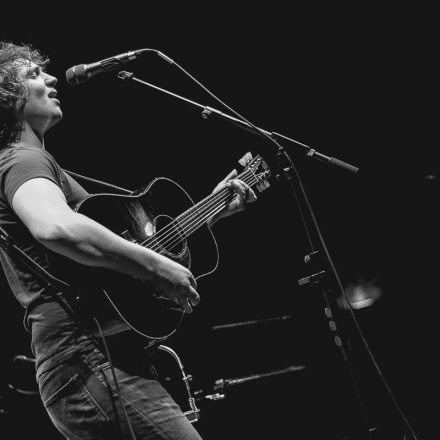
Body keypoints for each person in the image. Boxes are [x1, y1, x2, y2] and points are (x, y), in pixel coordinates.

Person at [0, 41, 256, 440]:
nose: (50, 78)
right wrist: (154, 267)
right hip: (89, 358)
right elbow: (56, 228)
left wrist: (212, 210)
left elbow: (126, 247)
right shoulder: (22, 160)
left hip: (101, 357)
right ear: (6, 98)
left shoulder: (36, 163)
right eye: (33, 75)